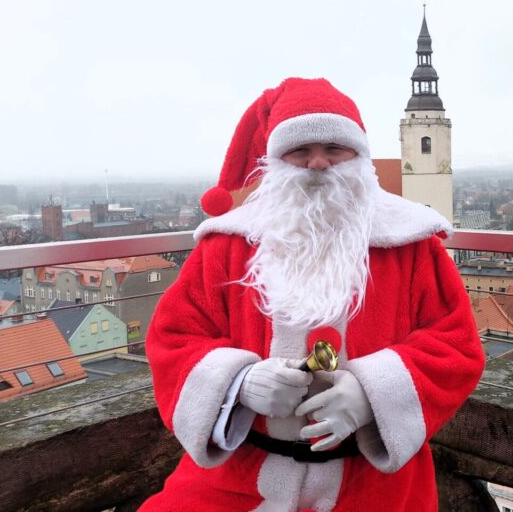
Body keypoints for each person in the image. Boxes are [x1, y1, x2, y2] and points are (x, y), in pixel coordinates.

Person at [141, 77, 485, 511]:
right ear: (276, 162)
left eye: (333, 149)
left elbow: (455, 344)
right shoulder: (226, 245)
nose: (317, 163)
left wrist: (372, 393)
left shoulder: (412, 245)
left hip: (375, 484)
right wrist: (239, 383)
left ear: (359, 156)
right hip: (243, 477)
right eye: (299, 151)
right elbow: (174, 338)